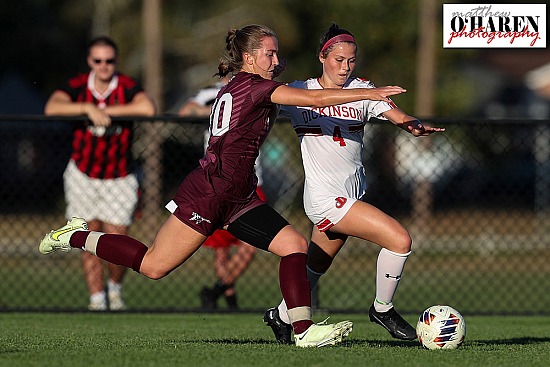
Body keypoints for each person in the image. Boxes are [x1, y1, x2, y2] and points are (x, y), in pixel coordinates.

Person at [40, 24, 407, 347]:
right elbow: (314, 99)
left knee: (294, 245)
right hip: (211, 192)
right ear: (249, 58)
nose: (276, 58)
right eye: (269, 52)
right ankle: (74, 236)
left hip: (240, 194)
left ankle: (302, 329)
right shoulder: (253, 87)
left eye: (276, 52)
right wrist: (367, 93)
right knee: (153, 266)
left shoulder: (246, 85)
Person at [263, 23, 445, 343]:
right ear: (323, 57)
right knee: (399, 240)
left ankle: (278, 316)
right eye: (339, 59)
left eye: (351, 60)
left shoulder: (363, 89)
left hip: (350, 194)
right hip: (323, 197)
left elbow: (395, 114)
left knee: (314, 268)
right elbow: (259, 97)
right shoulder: (300, 91)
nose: (345, 66)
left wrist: (411, 125)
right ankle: (382, 309)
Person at [43, 36, 156, 311]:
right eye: (98, 61)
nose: (104, 66)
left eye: (109, 61)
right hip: (83, 174)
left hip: (119, 176)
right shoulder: (78, 87)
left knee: (117, 239)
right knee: (87, 234)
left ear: (116, 61)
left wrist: (107, 111)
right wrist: (86, 108)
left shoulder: (127, 87)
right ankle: (96, 298)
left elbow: (148, 108)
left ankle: (114, 290)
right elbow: (52, 107)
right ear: (90, 62)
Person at [178, 77, 263, 310]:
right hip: (219, 179)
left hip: (252, 178)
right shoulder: (213, 92)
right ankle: (229, 297)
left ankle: (216, 289)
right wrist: (221, 111)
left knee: (252, 243)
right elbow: (186, 111)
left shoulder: (256, 87)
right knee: (221, 247)